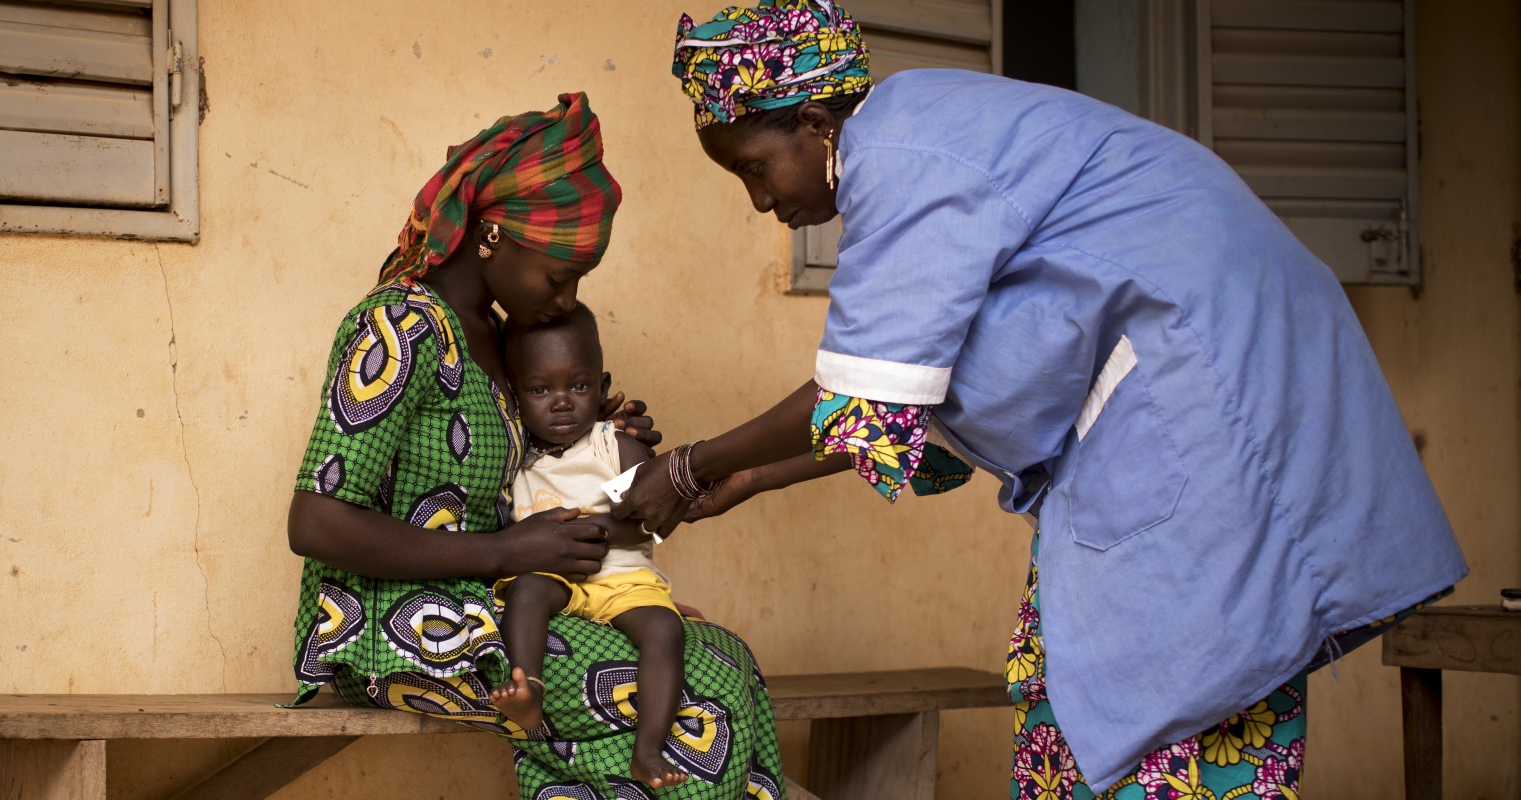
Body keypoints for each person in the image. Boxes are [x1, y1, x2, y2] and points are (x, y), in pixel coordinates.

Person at [616, 2, 1470, 797]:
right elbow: (931, 391)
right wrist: (754, 480)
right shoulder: (927, 132)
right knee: (1069, 673)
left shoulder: (901, 156)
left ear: (813, 124)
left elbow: (863, 390)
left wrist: (689, 470)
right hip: (1193, 396)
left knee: (1180, 691)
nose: (764, 201)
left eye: (755, 170)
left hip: (1210, 405)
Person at [285, 92, 787, 799]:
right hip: (395, 622)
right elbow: (314, 523)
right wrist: (504, 553)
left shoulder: (497, 336)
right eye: (559, 274)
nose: (567, 296)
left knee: (723, 657)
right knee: (701, 694)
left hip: (501, 602)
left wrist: (601, 437)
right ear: (492, 236)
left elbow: (513, 484)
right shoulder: (399, 324)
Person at [487, 305, 689, 790]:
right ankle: (527, 688)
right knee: (527, 592)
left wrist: (584, 533)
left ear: (602, 388)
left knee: (664, 629)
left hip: (621, 579)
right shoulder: (514, 454)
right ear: (515, 394)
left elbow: (646, 520)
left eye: (577, 387)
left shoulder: (616, 445)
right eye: (539, 390)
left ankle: (648, 750)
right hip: (553, 579)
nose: (561, 403)